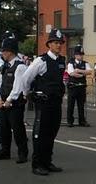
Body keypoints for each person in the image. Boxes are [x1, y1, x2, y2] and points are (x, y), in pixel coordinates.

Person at [22, 29, 66, 176]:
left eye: (60, 43)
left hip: (56, 103)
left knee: (51, 134)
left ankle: (47, 162)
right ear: (49, 44)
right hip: (44, 103)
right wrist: (26, 93)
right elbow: (26, 78)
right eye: (55, 42)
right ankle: (37, 164)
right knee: (40, 134)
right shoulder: (41, 61)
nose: (58, 45)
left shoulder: (61, 61)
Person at [0, 36, 28, 163]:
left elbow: (18, 87)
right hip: (3, 102)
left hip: (14, 103)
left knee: (18, 129)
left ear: (10, 51)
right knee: (3, 129)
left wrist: (9, 100)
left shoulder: (20, 66)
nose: (2, 53)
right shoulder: (5, 66)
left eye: (4, 51)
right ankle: (4, 151)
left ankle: (22, 153)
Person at [66, 44, 92, 127]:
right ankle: (70, 121)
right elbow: (72, 73)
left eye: (82, 54)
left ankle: (82, 121)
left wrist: (78, 70)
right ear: (75, 55)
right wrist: (82, 73)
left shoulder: (85, 63)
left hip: (81, 87)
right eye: (80, 54)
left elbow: (89, 71)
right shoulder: (71, 63)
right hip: (73, 87)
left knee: (81, 105)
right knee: (71, 105)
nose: (81, 56)